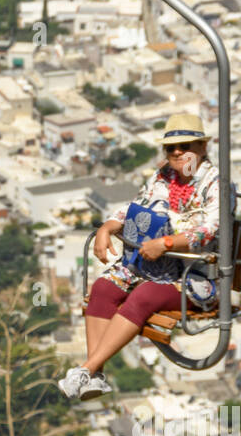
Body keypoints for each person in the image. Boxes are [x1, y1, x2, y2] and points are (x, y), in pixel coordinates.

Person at [60, 113, 222, 401]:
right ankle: (93, 377)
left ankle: (85, 369)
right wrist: (108, 227)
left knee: (144, 296)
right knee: (103, 288)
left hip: (194, 274)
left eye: (184, 146)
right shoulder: (163, 177)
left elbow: (209, 230)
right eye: (170, 148)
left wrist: (167, 242)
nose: (176, 153)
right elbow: (136, 207)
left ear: (202, 147)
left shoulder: (216, 184)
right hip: (152, 266)